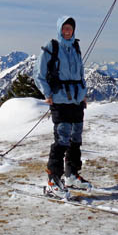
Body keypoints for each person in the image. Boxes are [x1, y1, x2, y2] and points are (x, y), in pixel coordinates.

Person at [33, 15, 91, 199]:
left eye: (70, 28)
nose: (67, 31)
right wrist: (47, 94)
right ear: (60, 29)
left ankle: (71, 175)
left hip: (76, 100)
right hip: (59, 100)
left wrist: (83, 94)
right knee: (62, 139)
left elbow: (80, 73)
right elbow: (39, 74)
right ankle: (52, 181)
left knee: (76, 139)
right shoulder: (51, 47)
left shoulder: (76, 47)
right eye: (64, 28)